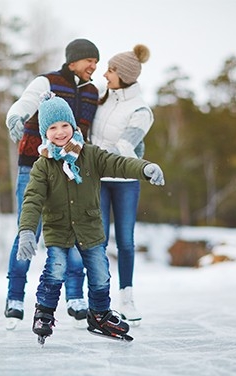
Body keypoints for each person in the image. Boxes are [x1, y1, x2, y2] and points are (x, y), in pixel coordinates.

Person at [16, 92, 165, 343]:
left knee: (100, 274)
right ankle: (44, 312)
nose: (60, 132)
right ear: (45, 133)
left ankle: (99, 315)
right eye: (52, 127)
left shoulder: (91, 155)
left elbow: (119, 164)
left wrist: (144, 168)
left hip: (90, 228)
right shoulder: (43, 165)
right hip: (59, 230)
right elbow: (32, 200)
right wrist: (27, 230)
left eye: (65, 125)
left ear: (73, 126)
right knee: (56, 270)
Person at [3, 38, 101, 329]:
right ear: (73, 62)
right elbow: (26, 102)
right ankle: (14, 297)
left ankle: (74, 297)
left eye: (96, 62)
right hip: (33, 166)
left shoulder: (94, 91)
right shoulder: (47, 82)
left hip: (71, 170)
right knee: (28, 229)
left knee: (74, 229)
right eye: (89, 61)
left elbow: (114, 113)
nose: (94, 66)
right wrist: (15, 117)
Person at [89, 44, 153, 326]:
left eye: (111, 70)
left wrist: (94, 153)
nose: (105, 74)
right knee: (98, 241)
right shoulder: (102, 100)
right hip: (98, 181)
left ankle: (126, 296)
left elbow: (126, 146)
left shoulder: (141, 110)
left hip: (125, 181)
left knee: (125, 241)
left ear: (124, 75)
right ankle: (97, 299)